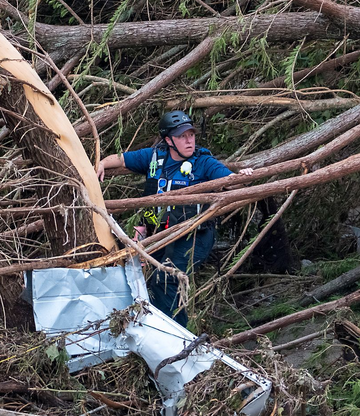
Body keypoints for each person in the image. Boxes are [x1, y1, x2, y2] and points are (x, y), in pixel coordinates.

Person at [97, 110, 253, 326]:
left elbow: (229, 181)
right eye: (182, 136)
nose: (189, 140)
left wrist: (241, 178)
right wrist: (102, 164)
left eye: (191, 135)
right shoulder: (154, 157)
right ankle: (158, 327)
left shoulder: (204, 162)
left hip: (194, 234)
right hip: (160, 233)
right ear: (168, 140)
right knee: (150, 278)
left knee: (168, 278)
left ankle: (178, 334)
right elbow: (121, 158)